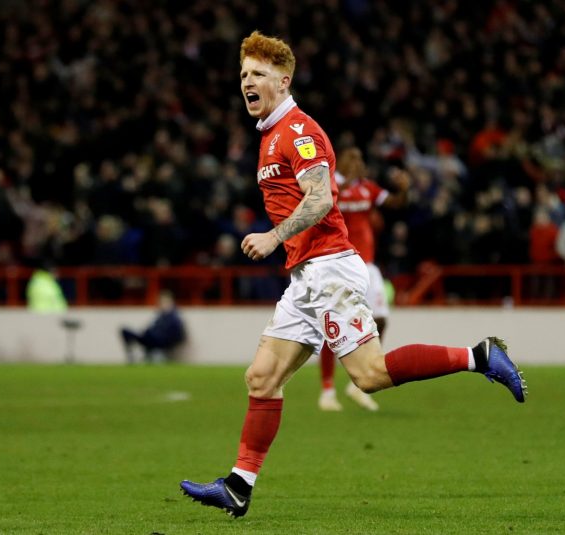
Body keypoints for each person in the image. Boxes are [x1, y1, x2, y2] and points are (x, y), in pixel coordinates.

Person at [180, 31, 527, 519]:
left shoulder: (299, 132)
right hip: (306, 276)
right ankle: (239, 486)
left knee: (369, 375)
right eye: (243, 75)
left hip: (330, 268)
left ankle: (479, 356)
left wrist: (274, 237)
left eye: (258, 74)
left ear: (283, 81)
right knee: (262, 377)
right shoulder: (269, 135)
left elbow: (321, 198)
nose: (247, 82)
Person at [318, 147, 410, 412]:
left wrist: (403, 189)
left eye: (361, 158)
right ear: (341, 162)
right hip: (339, 264)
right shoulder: (331, 187)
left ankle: (360, 379)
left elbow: (394, 203)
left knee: (380, 319)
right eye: (352, 158)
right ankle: (327, 391)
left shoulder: (367, 188)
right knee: (332, 327)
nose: (358, 163)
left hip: (367, 266)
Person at [120, 290, 185, 363]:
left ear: (171, 302)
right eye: (161, 302)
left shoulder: (174, 316)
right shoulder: (160, 316)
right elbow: (151, 328)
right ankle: (132, 356)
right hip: (152, 338)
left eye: (165, 301)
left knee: (149, 334)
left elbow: (177, 334)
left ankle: (150, 354)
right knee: (125, 331)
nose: (162, 304)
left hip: (162, 341)